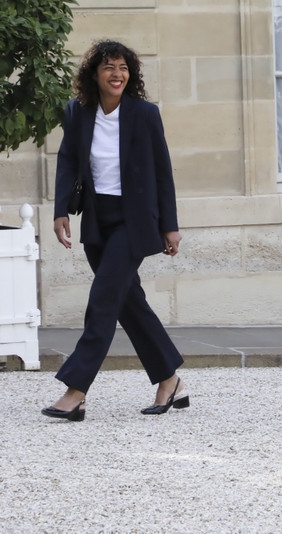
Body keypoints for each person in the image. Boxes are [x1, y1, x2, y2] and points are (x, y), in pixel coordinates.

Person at [42, 40, 188, 421]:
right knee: (128, 302)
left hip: (134, 221)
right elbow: (68, 162)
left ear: (131, 73)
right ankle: (169, 377)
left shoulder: (144, 114)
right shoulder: (78, 111)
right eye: (108, 67)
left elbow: (162, 173)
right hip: (96, 218)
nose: (116, 74)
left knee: (104, 300)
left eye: (123, 67)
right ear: (95, 74)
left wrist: (169, 226)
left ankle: (76, 391)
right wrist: (60, 211)